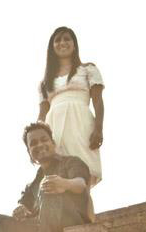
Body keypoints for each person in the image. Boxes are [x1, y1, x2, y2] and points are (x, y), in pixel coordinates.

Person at [37, 26, 105, 188]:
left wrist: (98, 129)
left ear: (74, 45)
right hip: (53, 128)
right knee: (59, 176)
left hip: (80, 123)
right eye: (57, 40)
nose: (62, 43)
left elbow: (98, 101)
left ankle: (85, 204)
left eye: (67, 39)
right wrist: (35, 138)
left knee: (82, 173)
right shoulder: (45, 82)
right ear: (52, 47)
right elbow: (42, 114)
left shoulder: (88, 69)